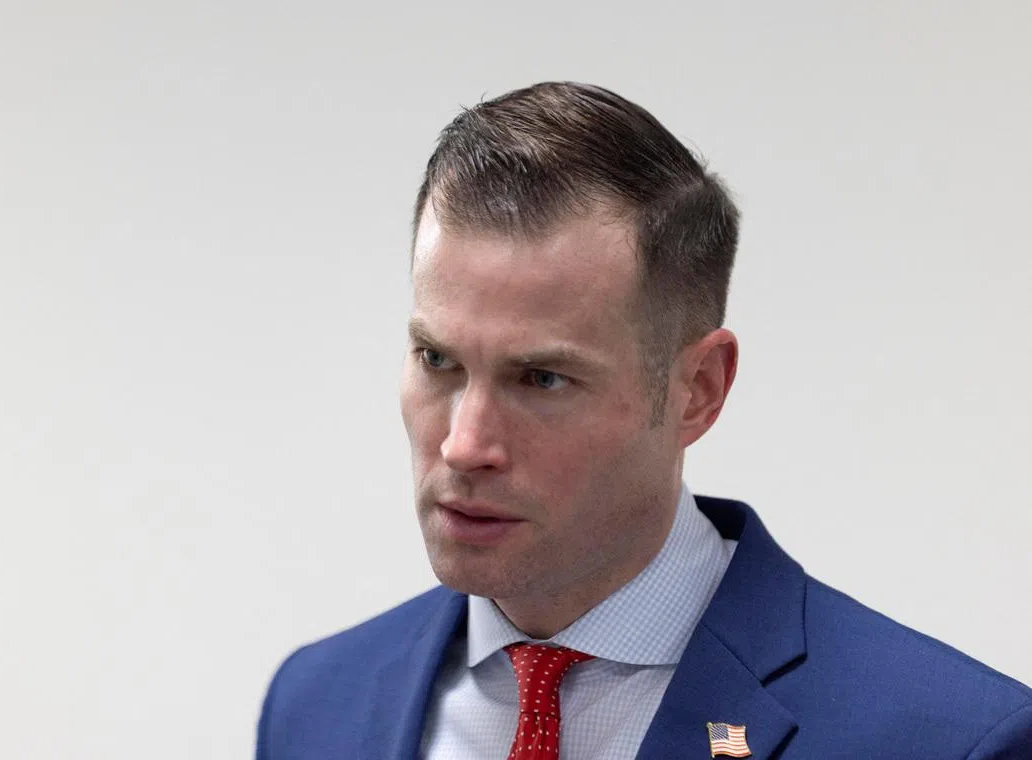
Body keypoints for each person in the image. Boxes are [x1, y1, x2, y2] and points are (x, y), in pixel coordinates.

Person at [255, 82, 1032, 759]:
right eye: (437, 362)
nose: (464, 444)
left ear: (697, 389)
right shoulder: (316, 704)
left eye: (543, 378)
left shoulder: (947, 739)